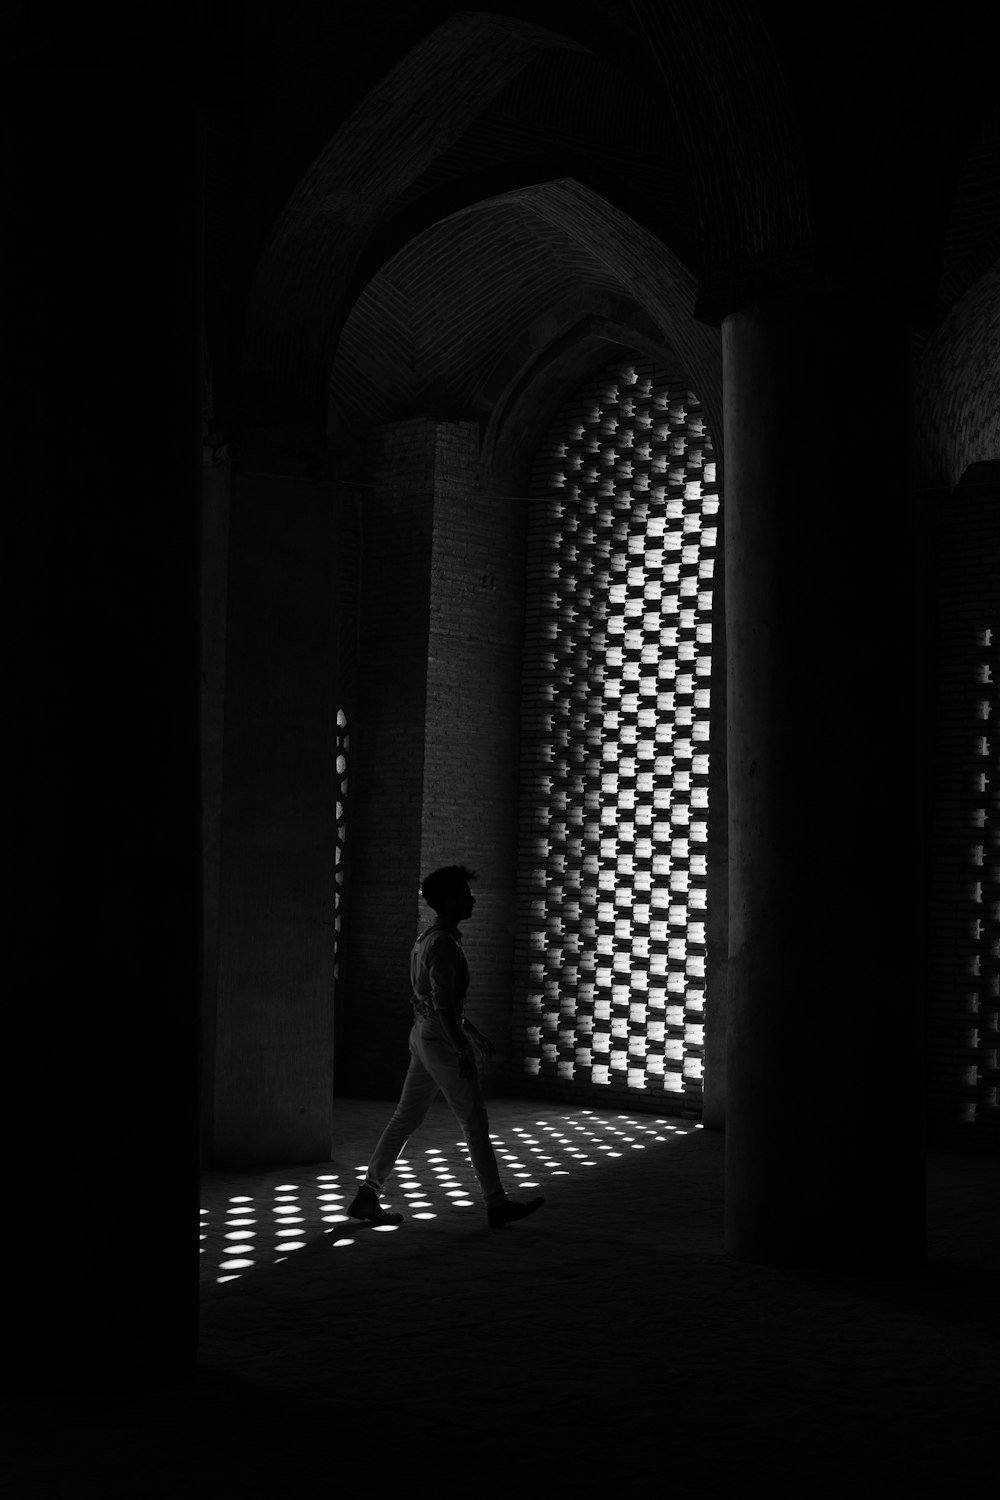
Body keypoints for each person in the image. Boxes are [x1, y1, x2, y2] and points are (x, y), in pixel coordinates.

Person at [347, 864, 544, 1230]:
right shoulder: (444, 944)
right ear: (451, 901)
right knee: (474, 1123)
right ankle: (496, 1204)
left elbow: (436, 1002)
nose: (472, 900)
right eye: (466, 895)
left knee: (405, 1118)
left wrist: (471, 1033)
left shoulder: (428, 939)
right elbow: (444, 1006)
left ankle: (368, 1194)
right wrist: (461, 1048)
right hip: (440, 1041)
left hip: (425, 1036)